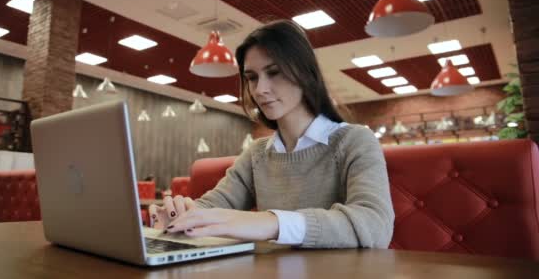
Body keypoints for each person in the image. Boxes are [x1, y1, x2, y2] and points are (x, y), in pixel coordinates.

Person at [149, 20, 394, 248]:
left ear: (304, 73)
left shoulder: (355, 140)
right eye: (252, 78)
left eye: (274, 72)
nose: (260, 89)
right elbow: (215, 204)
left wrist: (271, 222)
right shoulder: (256, 154)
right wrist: (181, 214)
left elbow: (375, 226)